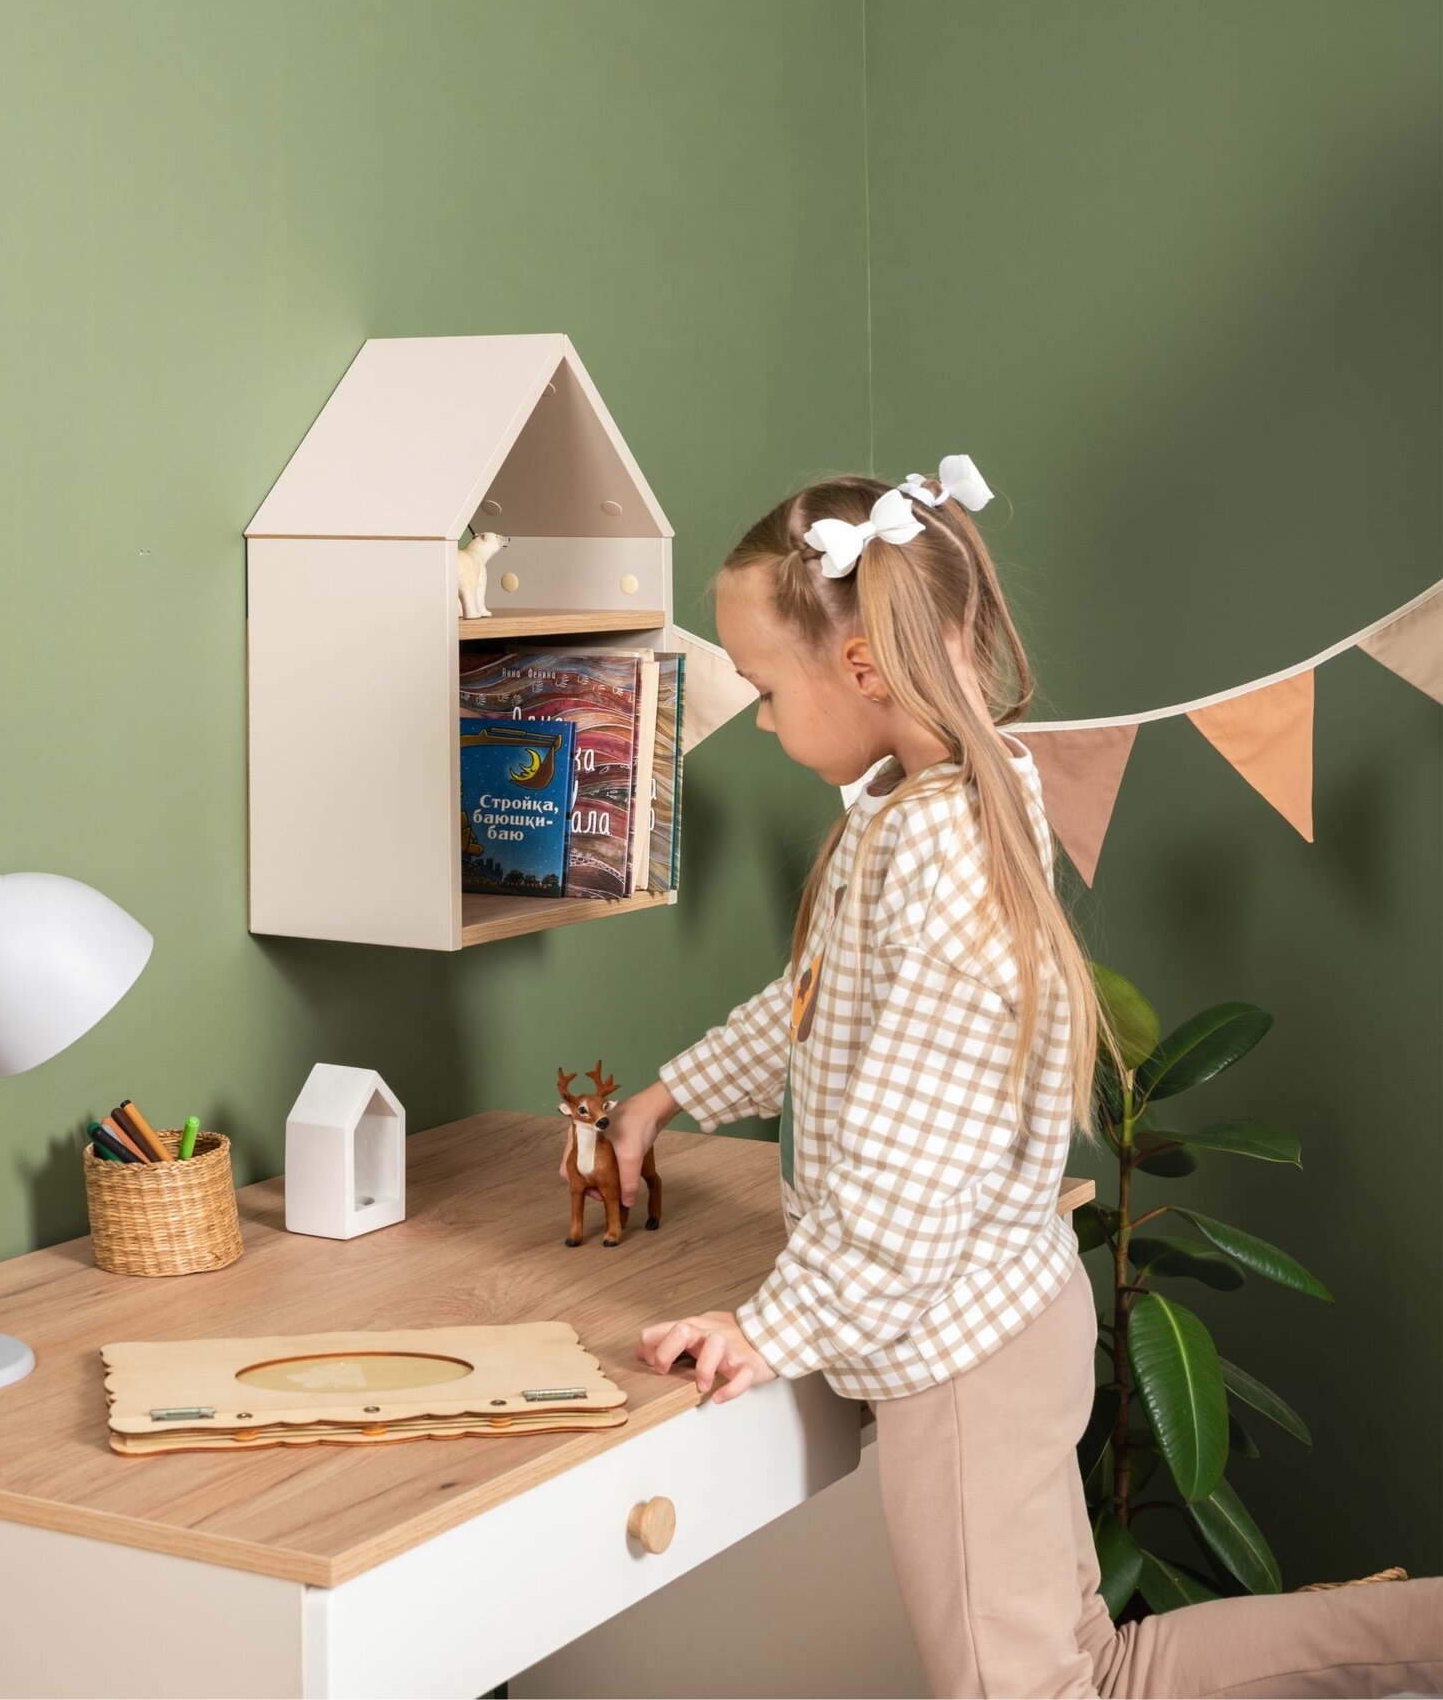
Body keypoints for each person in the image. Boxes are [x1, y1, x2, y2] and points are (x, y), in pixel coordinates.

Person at [560, 460, 1442, 1699]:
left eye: (763, 690)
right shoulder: (921, 809)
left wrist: (771, 1326)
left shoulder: (947, 857)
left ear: (862, 668)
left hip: (962, 1356)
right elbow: (819, 1011)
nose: (757, 719)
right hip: (999, 1315)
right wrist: (671, 1091)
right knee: (1093, 1668)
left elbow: (907, 1168)